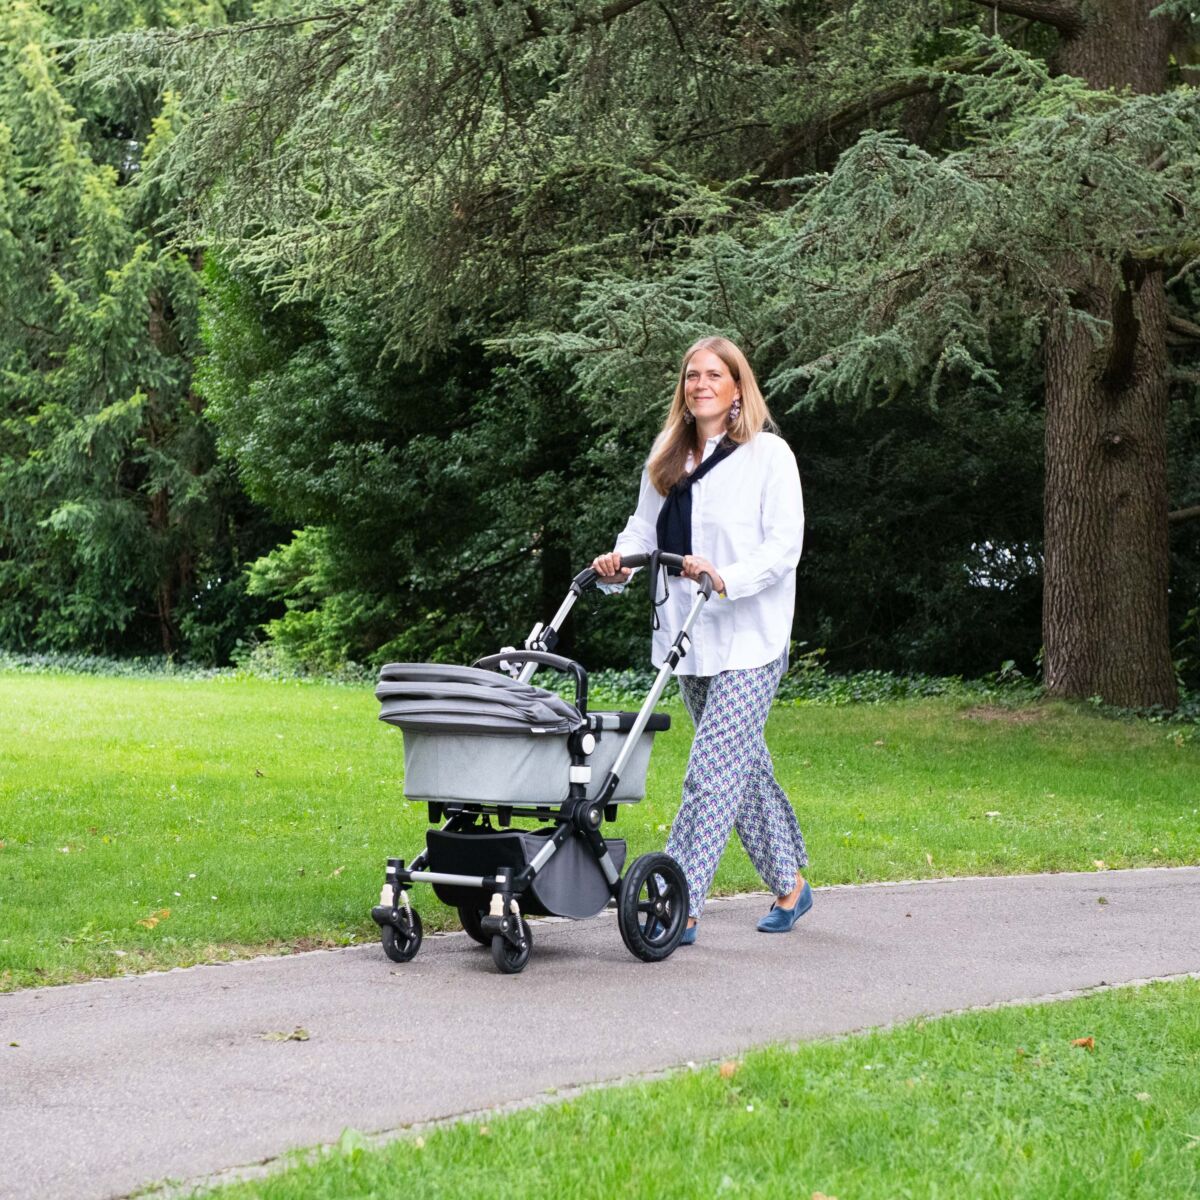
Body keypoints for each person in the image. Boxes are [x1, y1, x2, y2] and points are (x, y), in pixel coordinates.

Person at [592, 336, 809, 945]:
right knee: (745, 767)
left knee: (711, 772)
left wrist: (725, 576)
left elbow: (783, 547)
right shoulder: (668, 455)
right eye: (692, 376)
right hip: (689, 639)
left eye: (715, 375)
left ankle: (676, 901)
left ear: (738, 388)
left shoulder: (769, 456)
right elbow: (642, 530)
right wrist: (619, 567)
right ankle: (790, 883)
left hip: (752, 638)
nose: (701, 384)